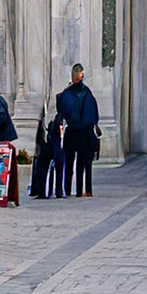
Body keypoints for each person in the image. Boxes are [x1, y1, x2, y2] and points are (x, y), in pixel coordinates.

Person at [54, 64, 100, 198]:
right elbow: (93, 116)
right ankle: (82, 190)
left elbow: (62, 111)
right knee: (82, 162)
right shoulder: (87, 93)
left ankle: (67, 189)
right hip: (84, 133)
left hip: (73, 131)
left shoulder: (66, 94)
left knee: (70, 162)